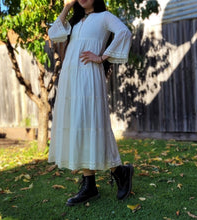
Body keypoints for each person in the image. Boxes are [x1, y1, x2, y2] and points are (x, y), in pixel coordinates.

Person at [47, 0, 133, 206]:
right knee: (79, 126)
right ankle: (89, 185)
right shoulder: (75, 22)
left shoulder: (104, 17)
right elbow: (54, 34)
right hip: (70, 78)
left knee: (93, 125)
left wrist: (102, 57)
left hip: (89, 78)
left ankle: (120, 172)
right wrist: (67, 7)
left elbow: (124, 32)